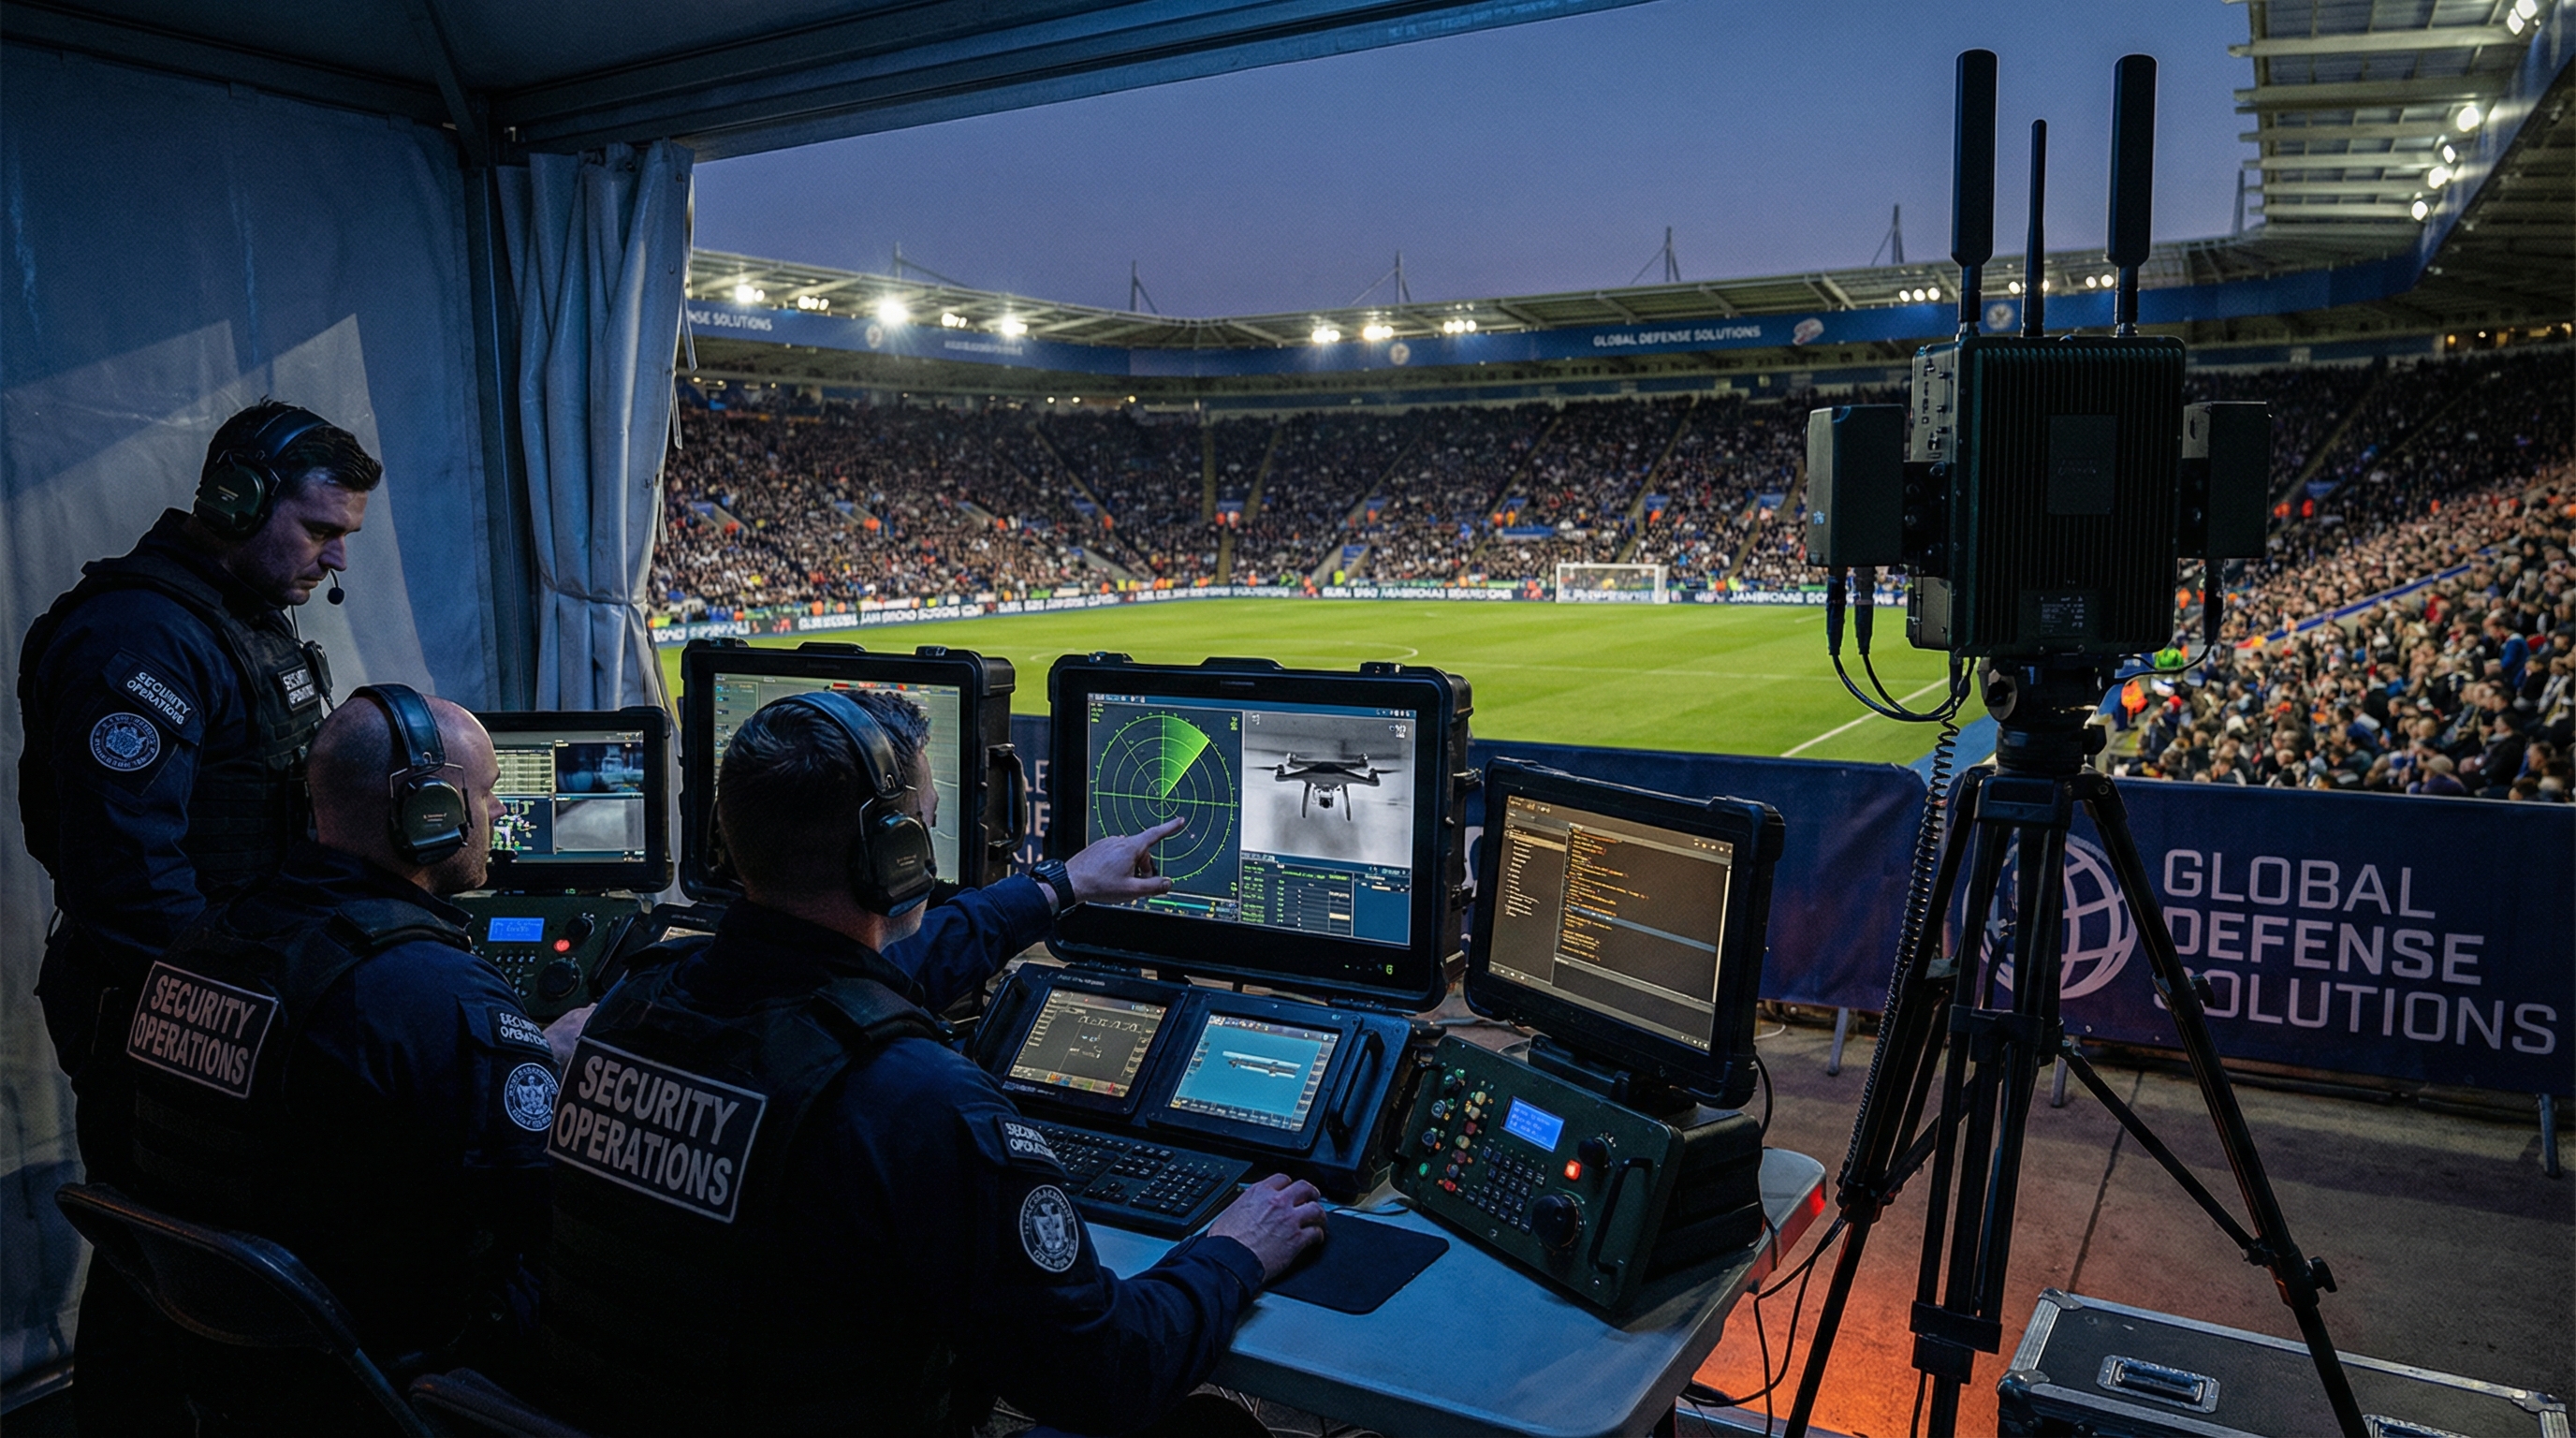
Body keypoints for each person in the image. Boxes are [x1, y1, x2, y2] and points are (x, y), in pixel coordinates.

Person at [539, 689, 1326, 1437]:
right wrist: (1233, 1252)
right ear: (896, 856)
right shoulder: (924, 1106)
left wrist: (1059, 886)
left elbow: (855, 977)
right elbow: (1110, 1369)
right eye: (924, 824)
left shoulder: (633, 1007)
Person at [14, 399, 376, 1432]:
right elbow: (131, 887)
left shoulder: (235, 617)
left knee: (188, 1269)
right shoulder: (139, 636)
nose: (336, 558)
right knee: (163, 1273)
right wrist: (253, 1020)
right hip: (160, 1010)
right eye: (320, 529)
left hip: (215, 997)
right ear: (235, 501)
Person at [121, 685, 556, 1429]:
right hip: (387, 1366)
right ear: (430, 814)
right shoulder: (433, 995)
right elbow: (543, 1205)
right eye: (485, 794)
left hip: (237, 1358)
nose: (496, 813)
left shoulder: (207, 939)